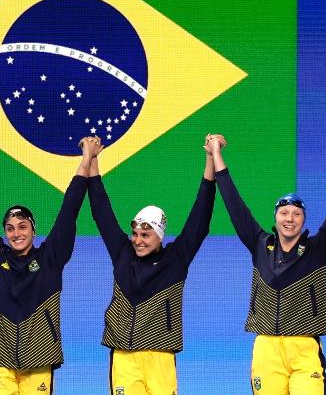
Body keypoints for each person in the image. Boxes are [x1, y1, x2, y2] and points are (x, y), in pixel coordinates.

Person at [205, 134, 326, 395]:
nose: (289, 219)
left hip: (305, 350)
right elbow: (234, 204)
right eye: (284, 213)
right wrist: (216, 156)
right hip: (266, 350)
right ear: (276, 217)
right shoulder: (259, 244)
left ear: (303, 220)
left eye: (296, 214)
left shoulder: (319, 248)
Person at [85, 134, 223, 395]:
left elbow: (200, 217)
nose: (137, 240)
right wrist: (92, 161)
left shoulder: (176, 259)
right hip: (124, 357)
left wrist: (209, 160)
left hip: (161, 355)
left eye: (145, 235)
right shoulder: (122, 253)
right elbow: (101, 211)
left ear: (160, 236)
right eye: (135, 233)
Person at [0, 137, 101, 395]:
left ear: (34, 230)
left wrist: (86, 160)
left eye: (23, 227)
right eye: (10, 229)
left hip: (40, 358)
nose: (16, 234)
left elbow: (70, 209)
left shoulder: (50, 259)